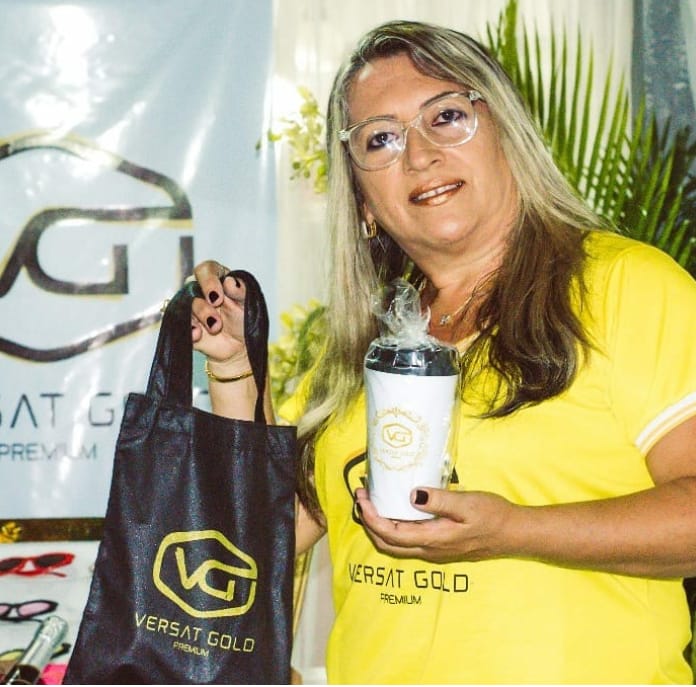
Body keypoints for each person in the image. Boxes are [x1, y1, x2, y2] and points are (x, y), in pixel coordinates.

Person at [190, 19, 696, 684]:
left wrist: (513, 529)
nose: (419, 154)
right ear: (363, 202)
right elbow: (253, 539)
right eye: (381, 138)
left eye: (447, 116)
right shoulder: (368, 346)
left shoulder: (624, 286)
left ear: (507, 135)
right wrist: (233, 366)